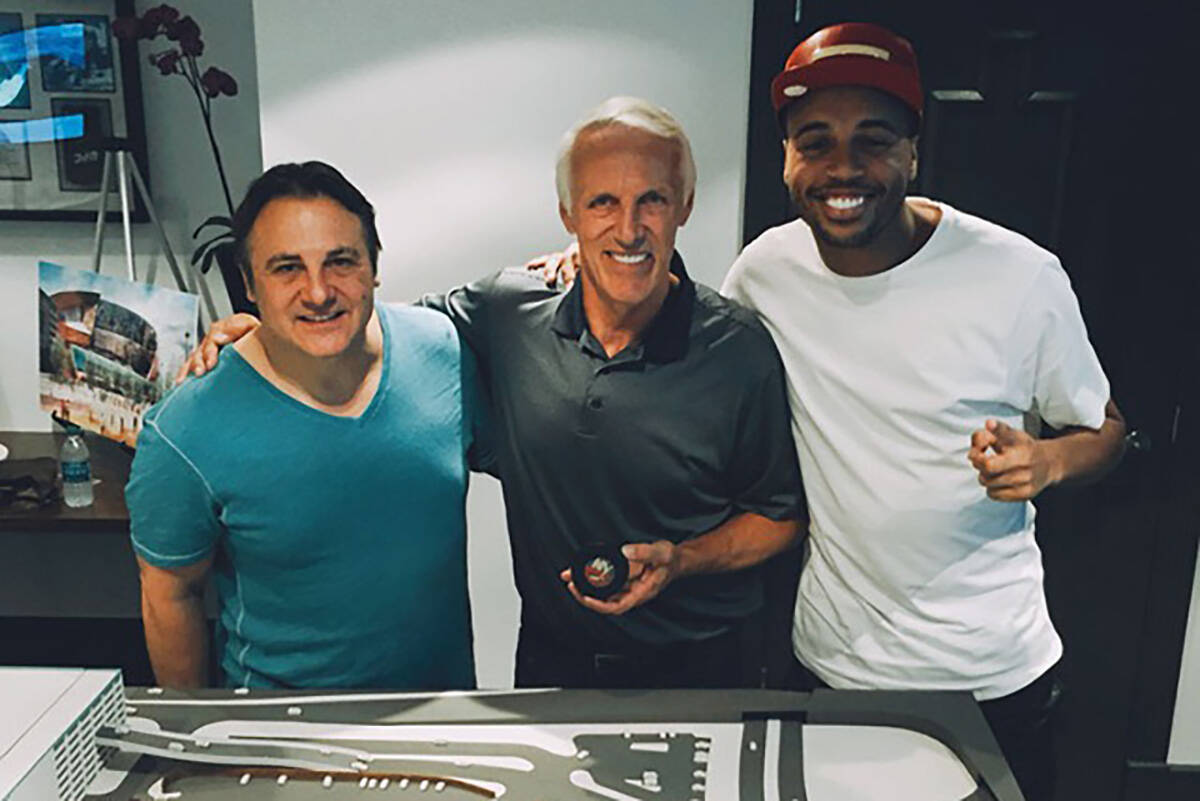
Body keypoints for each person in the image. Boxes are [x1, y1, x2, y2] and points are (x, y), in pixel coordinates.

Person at [182, 98, 806, 690]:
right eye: (602, 204)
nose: (628, 228)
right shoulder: (508, 311)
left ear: (685, 205)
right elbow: (362, 326)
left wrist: (683, 560)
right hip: (551, 666)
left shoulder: (738, 349)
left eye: (652, 200)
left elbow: (778, 518)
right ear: (568, 215)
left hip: (703, 666)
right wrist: (265, 330)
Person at [719, 22, 1127, 801]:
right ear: (786, 159)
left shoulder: (1018, 276)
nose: (843, 168)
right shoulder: (765, 271)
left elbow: (1106, 428)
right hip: (834, 667)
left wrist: (1047, 461)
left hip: (989, 674)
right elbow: (691, 333)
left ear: (914, 150)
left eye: (872, 140)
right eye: (815, 141)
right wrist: (587, 269)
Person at [126, 161, 488, 690]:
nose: (318, 292)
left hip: (442, 717)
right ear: (248, 283)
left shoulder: (444, 351)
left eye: (340, 261)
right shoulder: (185, 431)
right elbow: (169, 595)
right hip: (280, 734)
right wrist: (195, 735)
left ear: (374, 266)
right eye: (287, 268)